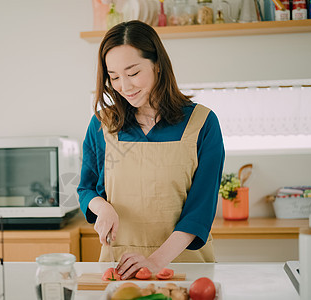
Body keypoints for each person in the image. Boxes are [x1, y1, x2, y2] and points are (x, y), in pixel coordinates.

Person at [77, 20, 225, 280]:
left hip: (185, 267)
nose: (124, 86)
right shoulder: (102, 124)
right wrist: (103, 208)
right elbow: (86, 189)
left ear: (157, 64)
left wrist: (153, 262)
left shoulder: (202, 123)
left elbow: (200, 211)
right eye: (114, 77)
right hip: (120, 267)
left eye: (133, 73)